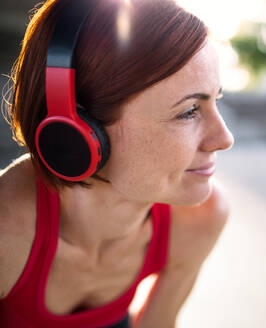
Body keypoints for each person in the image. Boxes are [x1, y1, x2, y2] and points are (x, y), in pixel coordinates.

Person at [0, 0, 234, 327]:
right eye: (189, 111)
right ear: (76, 133)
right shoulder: (6, 230)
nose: (224, 139)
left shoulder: (199, 219)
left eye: (215, 100)